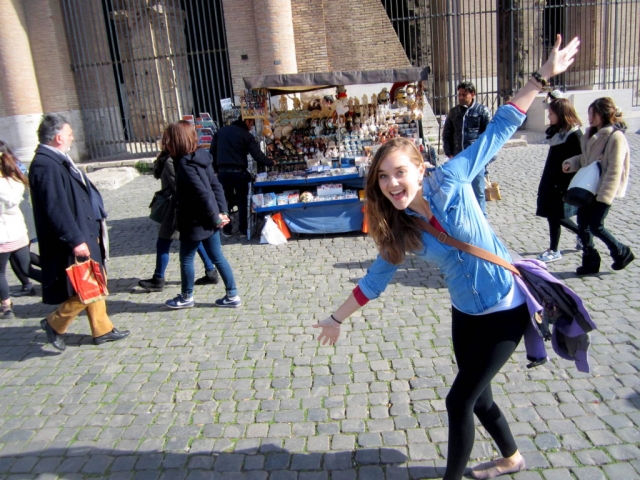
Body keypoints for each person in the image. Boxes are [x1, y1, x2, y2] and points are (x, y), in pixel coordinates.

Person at [313, 36, 580, 480]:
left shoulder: (452, 179)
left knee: (459, 401)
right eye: (383, 177)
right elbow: (374, 280)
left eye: (400, 172)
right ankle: (512, 458)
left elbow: (498, 130)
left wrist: (540, 78)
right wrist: (336, 319)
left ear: (420, 168)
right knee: (481, 397)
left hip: (505, 308)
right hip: (465, 314)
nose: (392, 184)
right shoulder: (401, 228)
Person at [29, 114, 130, 350]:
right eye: (70, 134)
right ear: (58, 137)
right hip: (72, 237)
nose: (73, 138)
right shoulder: (45, 163)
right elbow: (56, 208)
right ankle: (55, 322)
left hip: (84, 229)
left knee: (96, 278)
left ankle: (102, 329)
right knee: (88, 284)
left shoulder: (57, 159)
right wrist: (75, 240)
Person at [164, 121, 241, 309]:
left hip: (196, 220)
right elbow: (215, 186)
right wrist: (222, 211)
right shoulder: (201, 156)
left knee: (187, 259)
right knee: (217, 257)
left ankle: (186, 296)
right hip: (209, 216)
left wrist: (217, 216)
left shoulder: (184, 164)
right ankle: (232, 295)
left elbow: (202, 193)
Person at [562, 97, 634, 275]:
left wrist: (605, 196)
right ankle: (590, 261)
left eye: (594, 114)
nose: (590, 117)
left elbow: (614, 170)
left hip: (601, 190)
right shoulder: (590, 134)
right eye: (589, 113)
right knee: (583, 225)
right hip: (588, 189)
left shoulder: (614, 137)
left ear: (604, 114)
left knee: (596, 225)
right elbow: (587, 160)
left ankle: (621, 251)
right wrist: (572, 162)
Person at [138, 148, 220, 292]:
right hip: (177, 205)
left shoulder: (171, 160)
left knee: (163, 241)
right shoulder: (170, 158)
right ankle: (211, 271)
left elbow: (179, 185)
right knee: (195, 240)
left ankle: (158, 279)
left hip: (174, 207)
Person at [535, 96, 583, 262]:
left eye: (552, 113)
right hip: (551, 178)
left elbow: (580, 159)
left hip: (562, 181)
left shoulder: (574, 134)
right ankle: (581, 235)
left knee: (556, 214)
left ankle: (555, 249)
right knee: (552, 214)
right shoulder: (557, 131)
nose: (549, 117)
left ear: (561, 114)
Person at [209, 116, 275, 236]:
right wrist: (270, 162)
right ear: (247, 121)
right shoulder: (245, 135)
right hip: (239, 172)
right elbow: (257, 155)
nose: (251, 127)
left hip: (223, 172)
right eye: (251, 124)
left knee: (224, 201)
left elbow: (212, 153)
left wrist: (215, 170)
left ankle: (227, 229)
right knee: (243, 201)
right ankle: (243, 230)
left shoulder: (221, 132)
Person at [442, 81, 493, 216]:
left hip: (475, 158)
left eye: (464, 95)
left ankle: (482, 217)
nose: (461, 97)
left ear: (472, 94)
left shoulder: (482, 111)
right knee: (460, 190)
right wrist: (449, 153)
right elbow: (447, 134)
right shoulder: (454, 112)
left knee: (478, 191)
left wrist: (485, 156)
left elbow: (488, 135)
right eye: (459, 94)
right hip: (458, 157)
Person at [0, 143, 33, 319]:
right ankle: (56, 284)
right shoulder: (16, 179)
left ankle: (6, 307)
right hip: (19, 231)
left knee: (0, 273)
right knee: (26, 266)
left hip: (2, 235)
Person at [8, 154, 41, 297]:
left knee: (18, 256)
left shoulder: (7, 174)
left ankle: (30, 284)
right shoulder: (17, 167)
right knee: (21, 254)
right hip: (24, 214)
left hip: (14, 221)